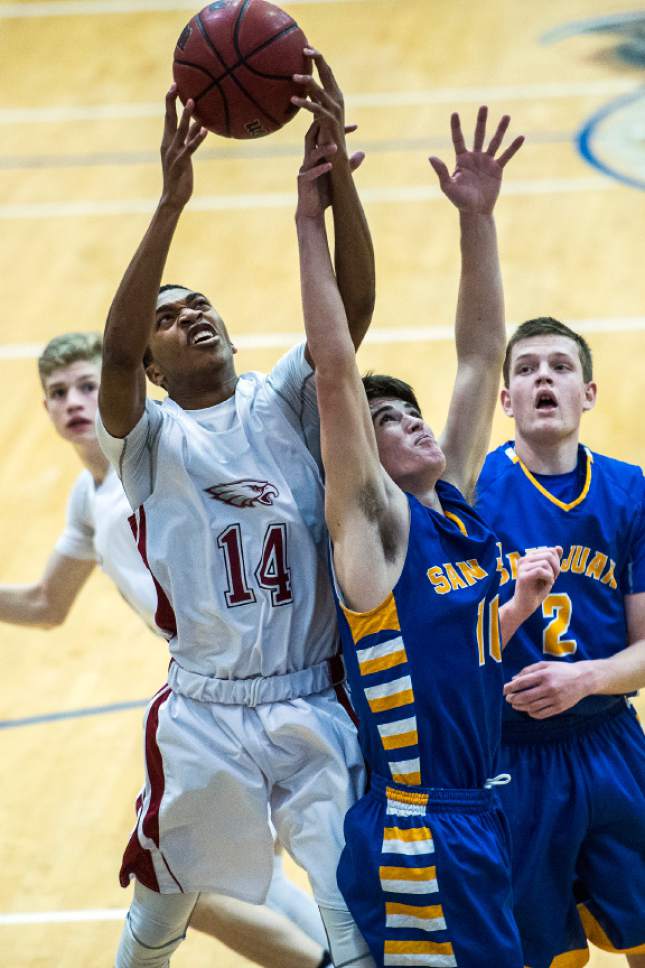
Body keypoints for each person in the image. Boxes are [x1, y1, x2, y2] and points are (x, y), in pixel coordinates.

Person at [96, 49, 377, 968]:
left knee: (350, 907)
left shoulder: (283, 398)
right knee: (162, 901)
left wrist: (337, 178)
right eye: (173, 319)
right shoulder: (146, 437)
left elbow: (352, 308)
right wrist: (171, 203)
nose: (195, 316)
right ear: (150, 362)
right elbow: (112, 351)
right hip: (206, 707)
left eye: (204, 304)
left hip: (311, 692)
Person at [295, 105, 562, 966]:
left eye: (411, 410)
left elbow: (482, 357)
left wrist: (477, 221)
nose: (411, 420)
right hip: (418, 828)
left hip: (482, 807)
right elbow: (333, 375)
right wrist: (310, 221)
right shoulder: (375, 537)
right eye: (388, 418)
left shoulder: (455, 506)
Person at [0, 329, 332, 968]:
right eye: (57, 392)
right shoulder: (87, 497)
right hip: (213, 689)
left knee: (188, 880)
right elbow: (47, 603)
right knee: (207, 878)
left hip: (271, 673)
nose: (73, 400)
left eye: (88, 384)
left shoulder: (162, 456)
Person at [475, 316, 645, 968]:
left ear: (588, 393)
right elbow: (447, 654)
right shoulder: (471, 498)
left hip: (609, 744)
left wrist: (584, 679)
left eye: (559, 366)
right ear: (505, 401)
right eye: (524, 368)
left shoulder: (629, 494)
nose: (542, 375)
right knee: (544, 957)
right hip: (508, 759)